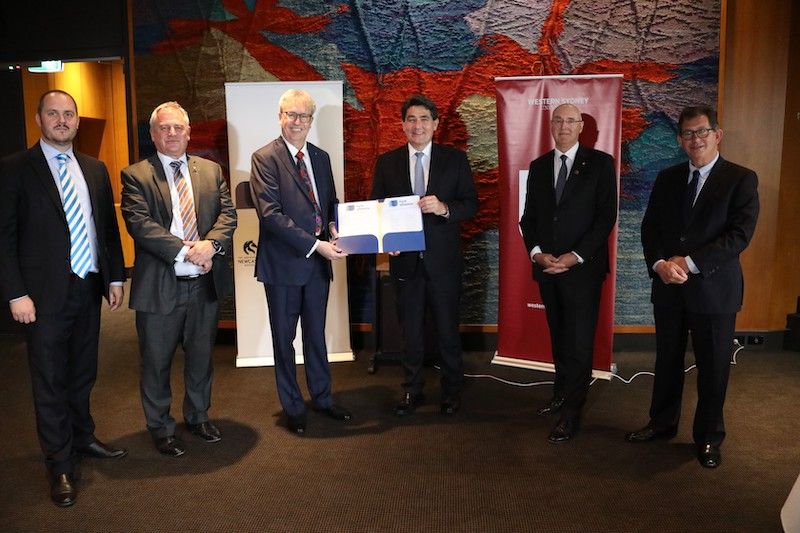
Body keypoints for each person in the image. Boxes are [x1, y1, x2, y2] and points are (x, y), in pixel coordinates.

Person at [0, 90, 127, 507]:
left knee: (83, 372)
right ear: (39, 119)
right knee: (50, 379)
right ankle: (60, 463)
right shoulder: (16, 169)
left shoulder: (94, 167)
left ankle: (83, 438)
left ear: (76, 121)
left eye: (68, 114)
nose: (61, 120)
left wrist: (115, 278)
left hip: (87, 287)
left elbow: (105, 228)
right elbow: (5, 239)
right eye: (53, 113)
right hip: (40, 297)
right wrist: (16, 293)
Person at [625, 105, 759, 468]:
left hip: (714, 290)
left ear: (717, 135)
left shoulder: (741, 179)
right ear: (680, 140)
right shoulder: (667, 178)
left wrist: (689, 262)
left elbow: (739, 236)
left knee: (713, 366)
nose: (695, 139)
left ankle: (709, 438)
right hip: (668, 287)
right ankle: (662, 423)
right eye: (688, 134)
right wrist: (660, 264)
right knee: (667, 359)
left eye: (702, 132)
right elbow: (650, 229)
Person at [121, 101, 237, 457]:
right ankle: (160, 427)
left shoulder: (211, 171)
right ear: (153, 134)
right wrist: (190, 251)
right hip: (160, 286)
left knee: (201, 357)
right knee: (156, 361)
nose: (171, 134)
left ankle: (198, 416)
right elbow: (140, 225)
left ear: (189, 133)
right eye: (164, 128)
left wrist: (211, 245)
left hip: (203, 285)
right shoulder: (136, 175)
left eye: (178, 128)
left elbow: (228, 215)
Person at [249, 89, 351, 435]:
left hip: (317, 268)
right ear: (280, 117)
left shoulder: (320, 158)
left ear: (311, 120)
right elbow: (270, 215)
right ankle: (293, 407)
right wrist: (317, 246)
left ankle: (322, 398)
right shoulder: (264, 158)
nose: (296, 122)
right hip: (283, 266)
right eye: (290, 115)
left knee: (316, 337)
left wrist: (337, 227)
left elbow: (330, 202)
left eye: (303, 116)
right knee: (283, 340)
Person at [371, 95, 479, 416]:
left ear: (435, 124)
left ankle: (451, 391)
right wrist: (384, 239)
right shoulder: (387, 162)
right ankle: (412, 390)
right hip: (404, 260)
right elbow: (377, 208)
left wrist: (444, 208)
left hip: (443, 261)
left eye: (424, 119)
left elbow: (471, 204)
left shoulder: (455, 160)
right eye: (411, 120)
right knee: (411, 330)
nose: (417, 126)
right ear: (403, 124)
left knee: (447, 328)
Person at [519, 103, 617, 443]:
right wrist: (537, 254)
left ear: (580, 127)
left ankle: (572, 412)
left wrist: (575, 256)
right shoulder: (539, 166)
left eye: (570, 120)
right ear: (550, 126)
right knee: (559, 337)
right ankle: (561, 393)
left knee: (578, 343)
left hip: (582, 271)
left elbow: (605, 218)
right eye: (557, 120)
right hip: (548, 269)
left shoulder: (601, 164)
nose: (563, 125)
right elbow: (528, 218)